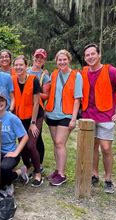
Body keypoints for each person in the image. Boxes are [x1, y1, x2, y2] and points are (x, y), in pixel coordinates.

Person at [81, 43, 116, 194]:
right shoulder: (83, 72)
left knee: (106, 148)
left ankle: (108, 178)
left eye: (92, 54)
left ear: (99, 55)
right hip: (88, 117)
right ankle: (94, 174)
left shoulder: (111, 71)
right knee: (93, 148)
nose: (90, 57)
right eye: (87, 55)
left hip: (105, 117)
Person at [45, 49, 82, 186]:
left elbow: (77, 99)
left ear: (69, 60)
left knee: (60, 143)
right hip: (52, 114)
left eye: (64, 59)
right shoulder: (54, 74)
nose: (62, 62)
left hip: (66, 115)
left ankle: (62, 174)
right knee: (56, 143)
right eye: (59, 60)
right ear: (56, 61)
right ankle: (57, 169)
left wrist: (73, 119)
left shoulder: (76, 76)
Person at [0, 92, 28, 196]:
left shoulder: (12, 118)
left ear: (6, 103)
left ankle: (14, 177)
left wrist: (16, 153)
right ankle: (16, 173)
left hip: (10, 152)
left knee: (3, 170)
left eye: (1, 100)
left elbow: (25, 137)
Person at [12, 56, 44, 187]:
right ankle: (28, 166)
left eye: (21, 65)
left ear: (26, 66)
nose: (19, 67)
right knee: (23, 146)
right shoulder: (12, 80)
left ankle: (37, 173)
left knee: (31, 144)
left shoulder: (33, 80)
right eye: (16, 65)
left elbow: (36, 103)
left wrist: (33, 122)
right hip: (20, 117)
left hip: (35, 116)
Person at [27, 48, 51, 175]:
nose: (38, 59)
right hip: (25, 108)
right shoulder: (25, 71)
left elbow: (46, 96)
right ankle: (29, 162)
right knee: (26, 136)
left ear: (44, 60)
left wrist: (34, 91)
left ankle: (39, 163)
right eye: (37, 56)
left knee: (36, 136)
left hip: (38, 109)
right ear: (33, 57)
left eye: (41, 57)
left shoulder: (44, 76)